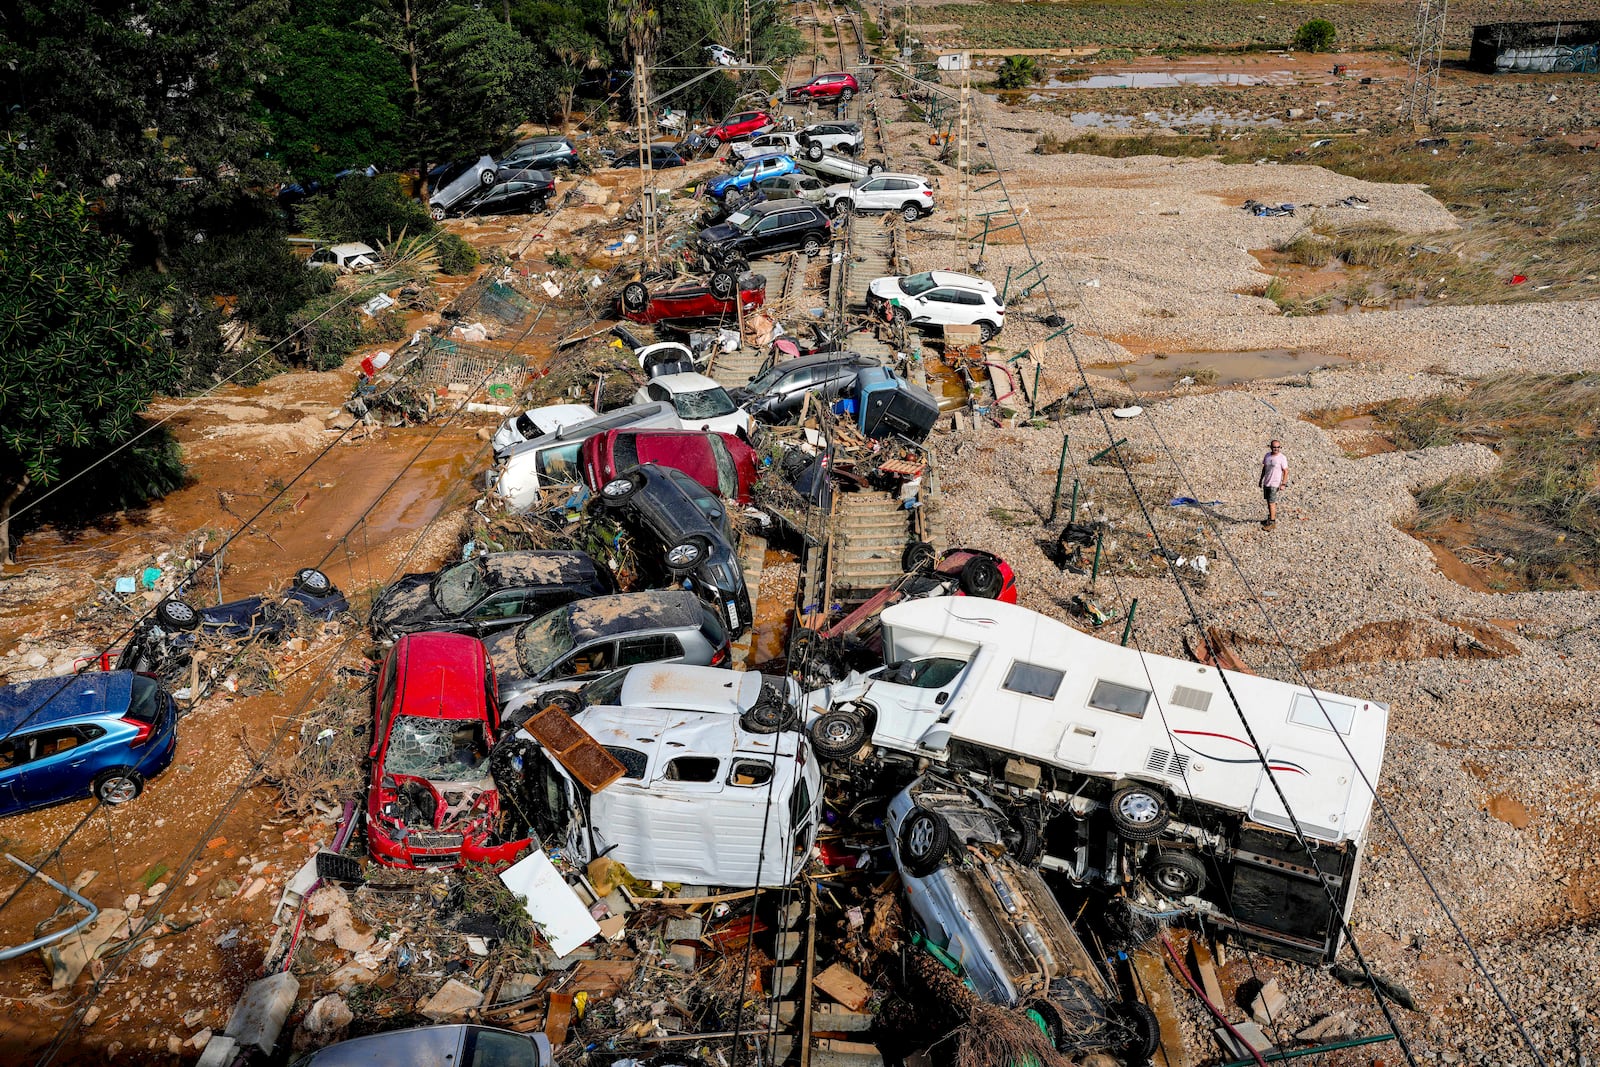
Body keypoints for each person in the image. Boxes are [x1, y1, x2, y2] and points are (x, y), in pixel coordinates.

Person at [1259, 439, 1288, 528]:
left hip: (1275, 483)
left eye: (1278, 447)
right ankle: (1270, 517)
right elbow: (1264, 468)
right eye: (1274, 447)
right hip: (1267, 482)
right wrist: (1261, 479)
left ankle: (1272, 522)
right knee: (1268, 501)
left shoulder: (1282, 458)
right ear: (1271, 447)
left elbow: (1286, 471)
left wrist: (1283, 484)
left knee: (1272, 502)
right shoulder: (1267, 456)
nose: (1276, 449)